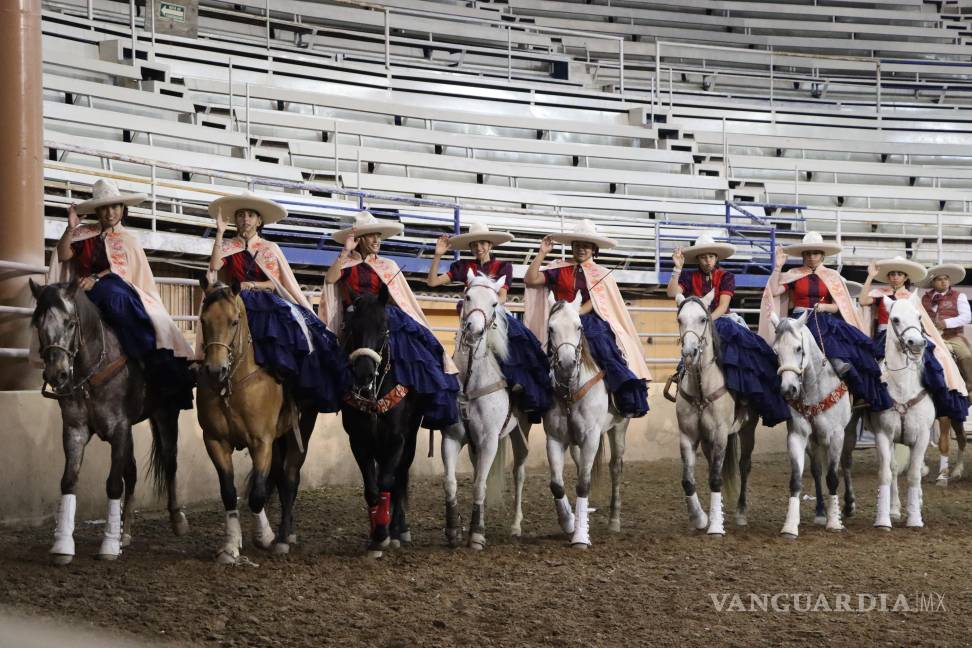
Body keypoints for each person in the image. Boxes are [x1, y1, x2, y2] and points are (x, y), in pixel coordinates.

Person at [48, 179, 194, 408]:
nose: (110, 212)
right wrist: (71, 227)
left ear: (123, 210)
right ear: (97, 210)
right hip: (83, 291)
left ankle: (148, 356)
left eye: (115, 207)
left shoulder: (128, 239)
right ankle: (58, 366)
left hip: (113, 287)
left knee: (116, 297)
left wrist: (97, 278)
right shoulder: (83, 234)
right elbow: (63, 255)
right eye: (105, 207)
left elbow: (125, 272)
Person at [207, 191, 349, 411]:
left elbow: (276, 283)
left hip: (266, 301)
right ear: (235, 220)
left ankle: (292, 388)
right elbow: (215, 267)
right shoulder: (226, 247)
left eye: (251, 215)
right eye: (241, 215)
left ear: (259, 221)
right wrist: (219, 233)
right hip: (235, 301)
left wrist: (251, 285)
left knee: (298, 330)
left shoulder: (269, 248)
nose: (245, 219)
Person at [321, 211, 459, 429]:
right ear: (358, 240)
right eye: (370, 236)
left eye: (378, 236)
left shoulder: (389, 265)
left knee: (421, 346)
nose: (376, 240)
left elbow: (400, 299)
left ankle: (419, 395)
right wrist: (345, 250)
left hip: (383, 316)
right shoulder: (344, 264)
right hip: (355, 320)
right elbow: (330, 279)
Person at [426, 222, 551, 422]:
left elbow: (502, 296)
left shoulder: (504, 266)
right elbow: (432, 282)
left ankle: (520, 385)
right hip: (470, 318)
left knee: (522, 340)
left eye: (483, 243)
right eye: (474, 244)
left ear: (490, 245)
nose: (479, 248)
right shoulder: (462, 267)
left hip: (495, 313)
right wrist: (438, 254)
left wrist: (488, 306)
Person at [524, 219, 650, 418]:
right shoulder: (557, 268)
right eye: (578, 244)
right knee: (538, 349)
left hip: (588, 318)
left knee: (603, 344)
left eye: (586, 245)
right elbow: (530, 279)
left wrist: (578, 312)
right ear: (572, 246)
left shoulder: (601, 273)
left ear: (593, 249)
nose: (582, 249)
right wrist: (542, 253)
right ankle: (535, 399)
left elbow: (598, 301)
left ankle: (625, 394)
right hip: (560, 319)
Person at [759, 231, 891, 412]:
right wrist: (777, 268)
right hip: (799, 320)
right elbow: (773, 291)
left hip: (823, 318)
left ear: (822, 255)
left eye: (815, 253)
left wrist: (823, 308)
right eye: (808, 253)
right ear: (803, 256)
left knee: (849, 348)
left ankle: (846, 376)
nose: (812, 257)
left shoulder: (832, 276)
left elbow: (838, 307)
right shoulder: (793, 274)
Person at [668, 233, 789, 426]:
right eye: (703, 257)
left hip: (721, 320)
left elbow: (723, 306)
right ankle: (682, 376)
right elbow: (672, 293)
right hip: (697, 324)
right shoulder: (689, 276)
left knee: (745, 354)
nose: (707, 261)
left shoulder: (726, 276)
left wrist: (707, 322)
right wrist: (677, 269)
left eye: (711, 256)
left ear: (716, 257)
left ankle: (743, 395)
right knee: (689, 347)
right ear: (698, 259)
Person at [859, 257, 968, 423]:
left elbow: (920, 321)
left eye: (899, 274)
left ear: (905, 277)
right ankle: (864, 398)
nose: (895, 277)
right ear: (888, 277)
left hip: (910, 336)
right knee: (865, 363)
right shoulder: (880, 294)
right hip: (884, 336)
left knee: (935, 359)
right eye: (892, 274)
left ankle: (937, 393)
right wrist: (869, 277)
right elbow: (862, 301)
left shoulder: (912, 297)